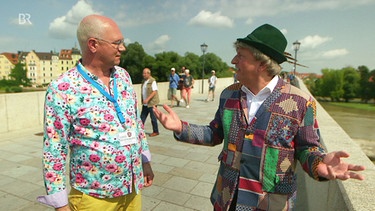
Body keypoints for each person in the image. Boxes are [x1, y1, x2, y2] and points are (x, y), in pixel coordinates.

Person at [153, 24, 365, 210]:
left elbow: (307, 148)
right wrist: (180, 127)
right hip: (226, 198)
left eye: (241, 56)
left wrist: (319, 163)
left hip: (269, 204)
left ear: (262, 64)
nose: (233, 60)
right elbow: (214, 133)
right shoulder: (229, 94)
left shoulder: (301, 102)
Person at [37, 14, 154, 211]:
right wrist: (60, 204)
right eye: (117, 43)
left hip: (132, 188)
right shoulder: (63, 88)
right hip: (94, 198)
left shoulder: (123, 76)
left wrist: (145, 161)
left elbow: (135, 124)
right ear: (93, 44)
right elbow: (54, 149)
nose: (123, 48)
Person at [141, 68, 160, 137]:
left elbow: (154, 91)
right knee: (142, 118)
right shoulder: (144, 81)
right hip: (145, 104)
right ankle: (139, 130)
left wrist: (147, 99)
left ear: (149, 73)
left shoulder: (152, 81)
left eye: (145, 73)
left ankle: (156, 131)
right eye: (143, 73)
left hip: (152, 103)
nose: (144, 75)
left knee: (153, 118)